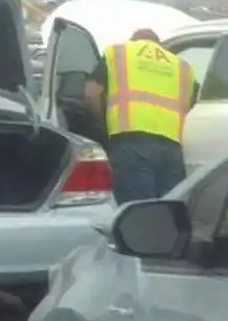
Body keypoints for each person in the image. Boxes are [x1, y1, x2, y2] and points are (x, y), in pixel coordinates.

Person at [83, 29, 196, 205]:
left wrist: (104, 124)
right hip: (171, 147)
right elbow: (191, 104)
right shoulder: (181, 66)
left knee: (137, 210)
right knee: (169, 212)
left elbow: (91, 93)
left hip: (131, 141)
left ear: (133, 41)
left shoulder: (119, 53)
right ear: (159, 46)